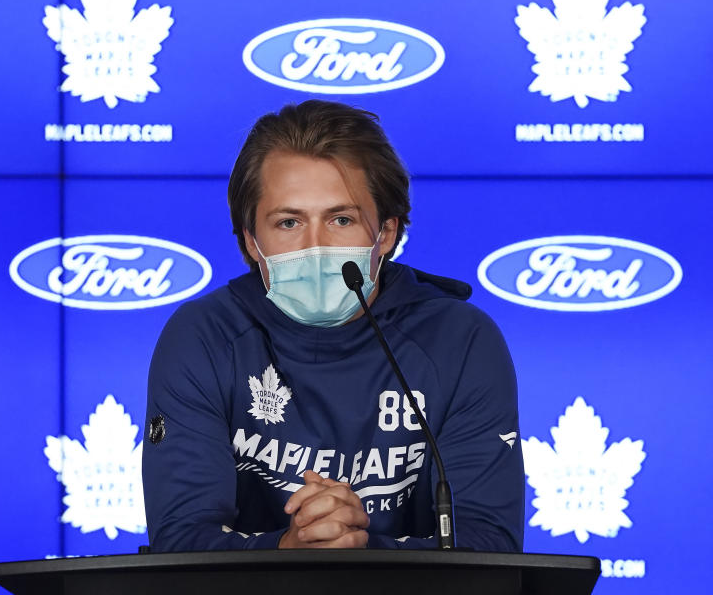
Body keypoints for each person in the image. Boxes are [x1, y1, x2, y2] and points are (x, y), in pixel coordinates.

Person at [142, 100, 523, 551]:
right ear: (251, 239)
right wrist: (285, 552)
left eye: (341, 219)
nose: (315, 246)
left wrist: (362, 552)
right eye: (288, 222)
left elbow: (489, 546)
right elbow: (182, 542)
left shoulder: (460, 340)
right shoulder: (203, 336)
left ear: (385, 233)